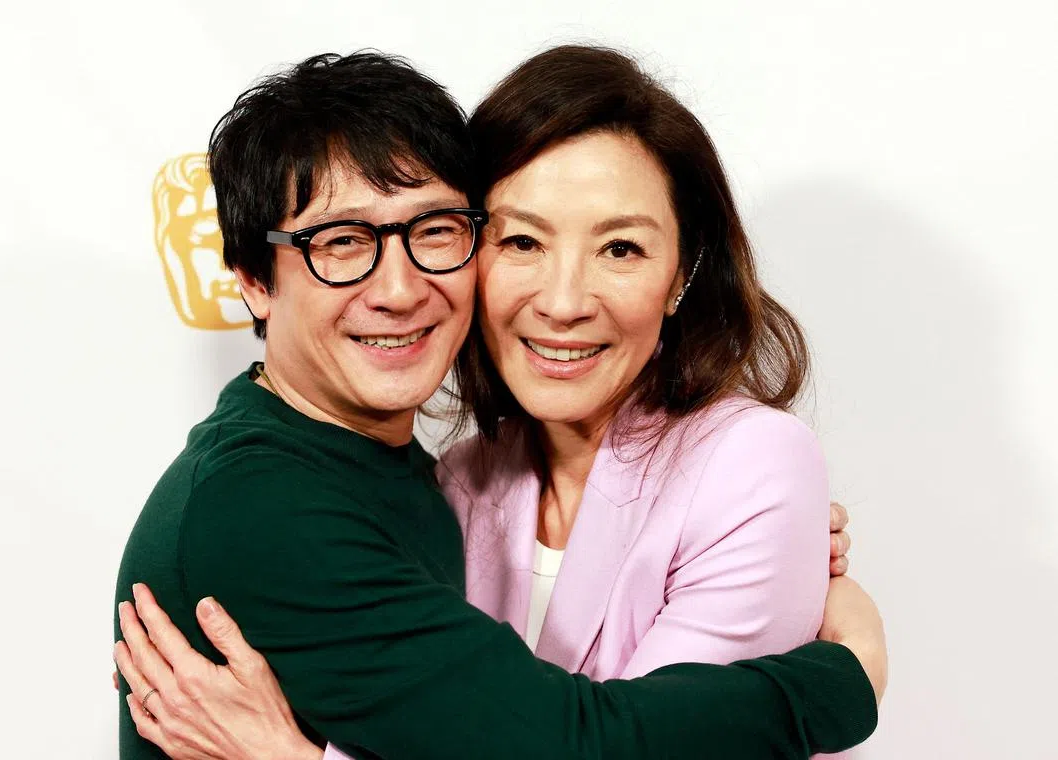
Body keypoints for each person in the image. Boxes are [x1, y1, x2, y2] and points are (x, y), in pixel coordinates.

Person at [113, 50, 885, 760]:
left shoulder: (425, 476)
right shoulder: (266, 508)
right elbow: (577, 748)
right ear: (253, 275)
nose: (399, 290)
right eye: (341, 242)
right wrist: (846, 677)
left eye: (433, 231)